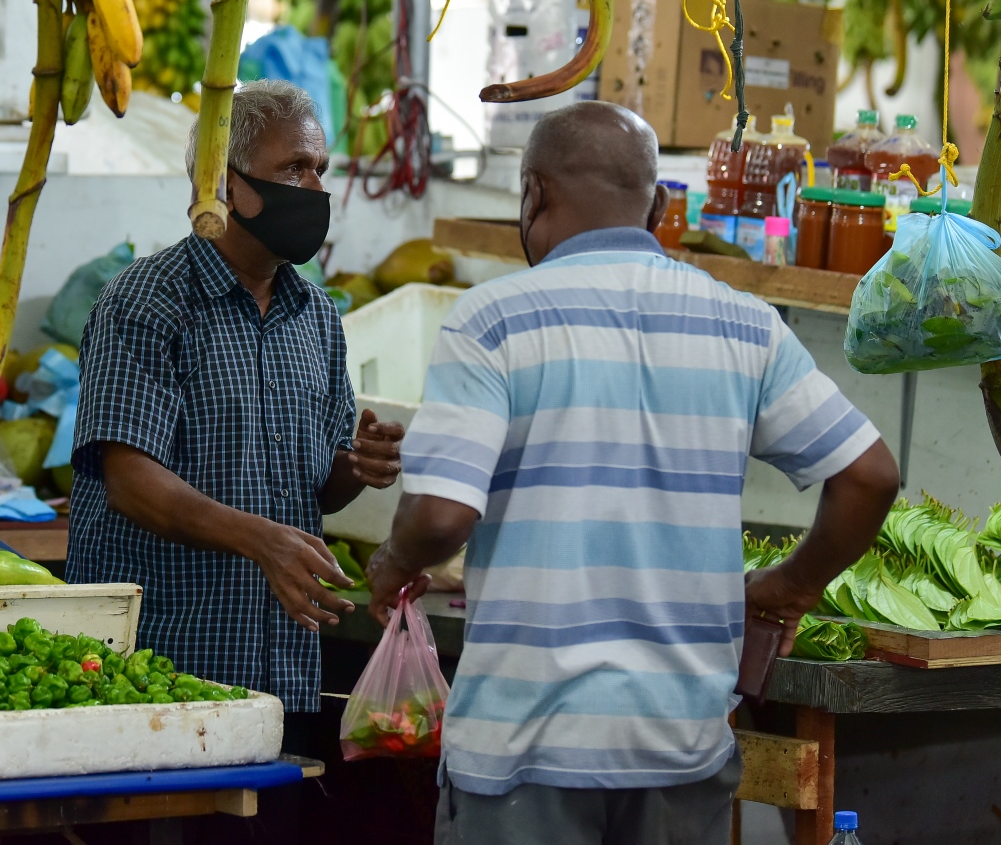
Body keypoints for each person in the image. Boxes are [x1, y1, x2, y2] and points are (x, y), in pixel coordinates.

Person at [366, 101, 900, 845]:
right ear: (657, 206)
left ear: (535, 194)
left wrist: (392, 561)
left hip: (525, 756)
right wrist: (792, 584)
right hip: (680, 752)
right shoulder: (745, 324)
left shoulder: (493, 321)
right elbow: (871, 475)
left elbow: (440, 517)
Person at [67, 79, 405, 720]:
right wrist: (262, 542)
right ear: (224, 182)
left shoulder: (316, 317)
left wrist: (357, 465)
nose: (315, 188)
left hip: (281, 666)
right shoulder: (148, 301)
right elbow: (129, 481)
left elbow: (312, 492)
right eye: (294, 168)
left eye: (321, 169)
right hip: (160, 674)